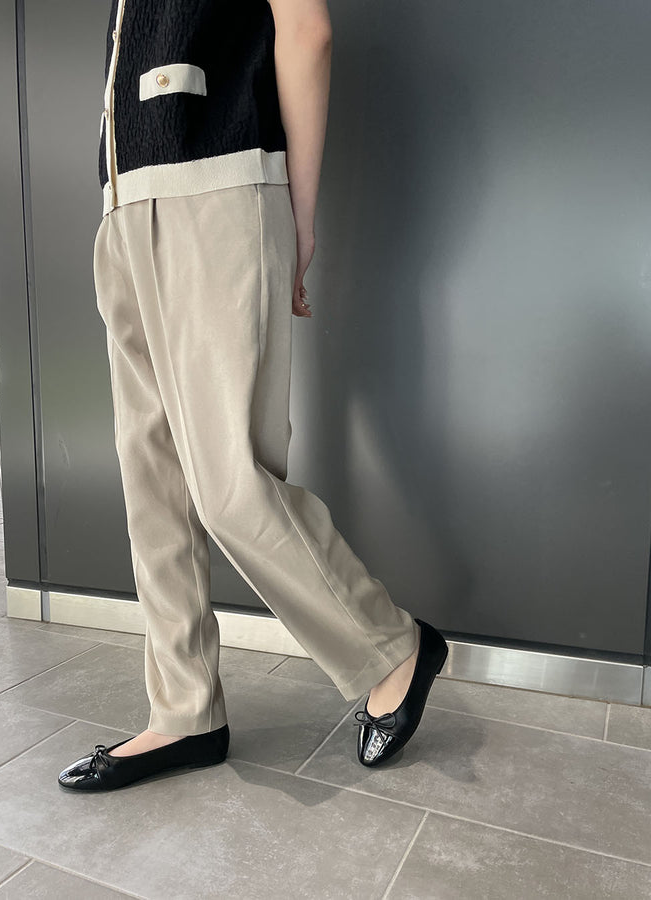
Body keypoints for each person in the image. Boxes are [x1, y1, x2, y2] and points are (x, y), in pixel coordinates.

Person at [58, 0, 448, 793]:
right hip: (123, 210)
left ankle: (392, 648)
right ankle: (185, 710)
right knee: (154, 488)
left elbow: (306, 29)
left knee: (230, 485)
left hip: (218, 188)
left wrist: (299, 218)